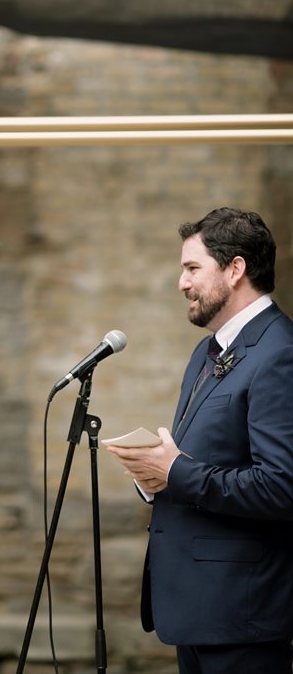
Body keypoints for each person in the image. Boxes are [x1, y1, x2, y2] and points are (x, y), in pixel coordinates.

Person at [108, 208, 293, 674]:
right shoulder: (207, 351)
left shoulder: (281, 354)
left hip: (242, 614)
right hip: (197, 608)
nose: (182, 283)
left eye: (192, 268)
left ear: (235, 269)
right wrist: (152, 474)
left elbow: (282, 486)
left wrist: (175, 472)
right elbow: (198, 459)